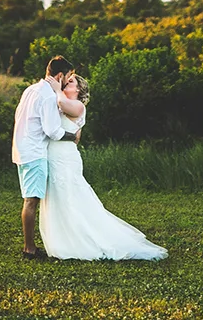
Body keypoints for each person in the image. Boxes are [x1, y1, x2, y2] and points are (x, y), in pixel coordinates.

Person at [39, 71, 167, 261]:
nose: (66, 83)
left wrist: (56, 89)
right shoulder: (60, 104)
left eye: (71, 81)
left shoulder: (78, 106)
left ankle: (81, 241)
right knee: (57, 197)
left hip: (65, 158)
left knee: (70, 197)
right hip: (55, 156)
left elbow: (62, 104)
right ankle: (63, 239)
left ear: (79, 89)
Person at [12, 55, 79, 259]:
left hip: (21, 149)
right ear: (59, 76)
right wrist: (72, 136)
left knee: (30, 198)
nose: (67, 81)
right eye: (67, 77)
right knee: (31, 200)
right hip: (34, 151)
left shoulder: (30, 89)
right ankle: (29, 248)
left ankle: (30, 245)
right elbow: (52, 131)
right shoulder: (48, 95)